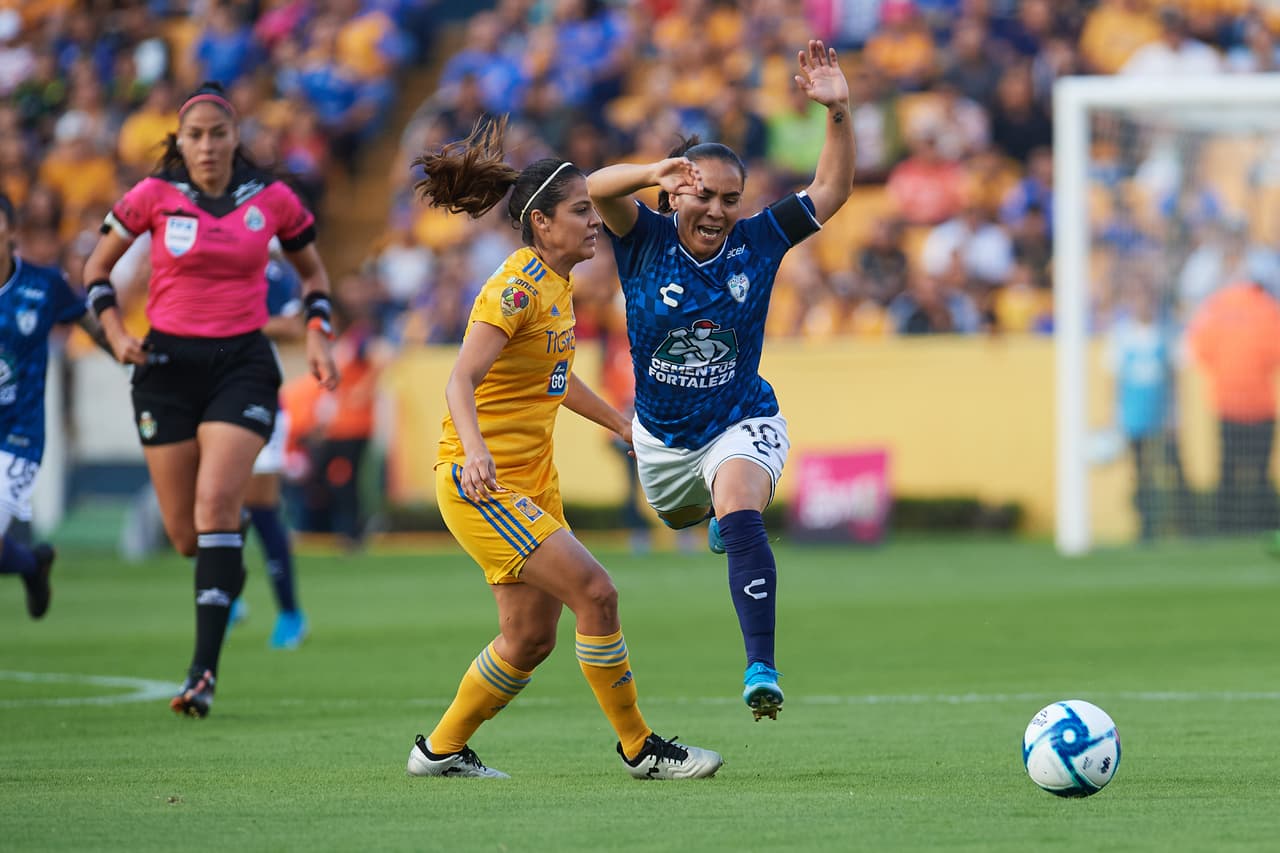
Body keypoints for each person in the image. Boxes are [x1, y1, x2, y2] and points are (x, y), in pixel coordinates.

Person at [405, 117, 722, 780]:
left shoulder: (555, 286)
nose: (593, 221)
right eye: (581, 211)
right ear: (542, 223)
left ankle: (439, 750)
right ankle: (641, 748)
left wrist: (621, 424)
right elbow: (460, 376)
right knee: (597, 594)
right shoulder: (515, 287)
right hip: (483, 483)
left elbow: (555, 379)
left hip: (528, 480)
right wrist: (475, 452)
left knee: (529, 638)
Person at [586, 40, 856, 721]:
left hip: (742, 416)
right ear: (677, 191)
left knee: (740, 502)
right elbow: (591, 189)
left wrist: (839, 112)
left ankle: (760, 666)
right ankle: (710, 509)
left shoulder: (758, 241)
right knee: (703, 510)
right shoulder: (642, 236)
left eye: (729, 199)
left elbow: (831, 191)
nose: (715, 211)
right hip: (662, 448)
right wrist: (651, 168)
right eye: (702, 195)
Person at [81, 82, 339, 718]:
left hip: (242, 366)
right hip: (164, 368)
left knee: (217, 505)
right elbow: (95, 272)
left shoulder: (272, 200)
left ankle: (201, 676)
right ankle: (228, 559)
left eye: (217, 133)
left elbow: (314, 276)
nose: (205, 145)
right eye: (194, 135)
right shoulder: (152, 197)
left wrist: (316, 333)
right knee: (188, 537)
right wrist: (115, 333)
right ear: (181, 139)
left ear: (234, 138)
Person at [0, 193, 107, 619]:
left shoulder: (43, 284)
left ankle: (30, 562)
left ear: (11, 231)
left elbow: (90, 323)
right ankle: (32, 563)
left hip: (17, 435)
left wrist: (131, 355)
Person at [230, 241, 309, 648]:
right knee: (222, 505)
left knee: (260, 508)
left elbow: (292, 326)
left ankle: (290, 612)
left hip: (261, 401)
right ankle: (228, 592)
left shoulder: (272, 276)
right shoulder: (210, 273)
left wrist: (237, 322)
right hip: (218, 401)